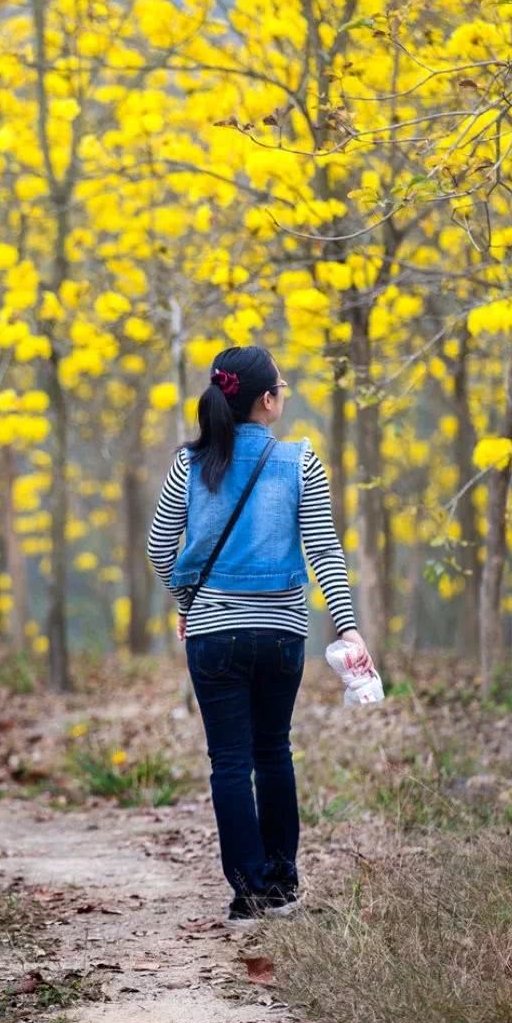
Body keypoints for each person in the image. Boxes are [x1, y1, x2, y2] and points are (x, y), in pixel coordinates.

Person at [146, 344, 376, 926]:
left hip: (212, 631)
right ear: (266, 401)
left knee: (228, 761)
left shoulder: (188, 464)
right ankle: (282, 884)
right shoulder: (300, 461)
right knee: (274, 751)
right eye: (281, 385)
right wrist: (348, 628)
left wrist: (187, 597)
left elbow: (158, 549)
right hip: (281, 633)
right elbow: (324, 550)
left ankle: (247, 895)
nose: (284, 393)